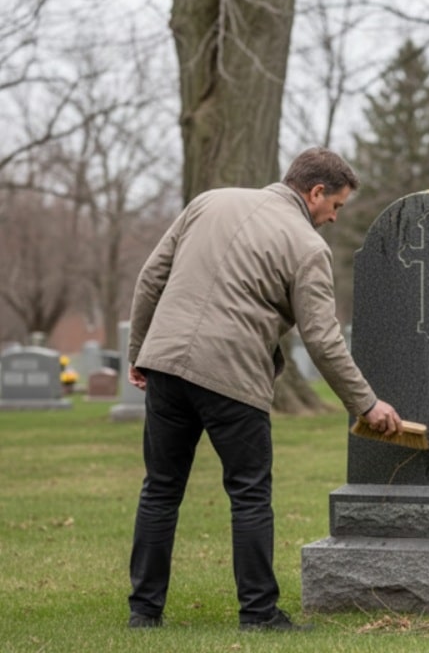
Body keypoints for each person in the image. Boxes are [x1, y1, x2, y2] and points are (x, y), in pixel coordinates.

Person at [125, 147, 402, 631]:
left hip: (165, 364)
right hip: (231, 377)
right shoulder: (307, 246)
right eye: (335, 206)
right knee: (249, 494)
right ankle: (258, 614)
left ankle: (144, 613)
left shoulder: (208, 201)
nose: (334, 219)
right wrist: (366, 403)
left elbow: (151, 278)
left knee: (160, 490)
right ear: (315, 192)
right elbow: (322, 338)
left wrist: (139, 352)